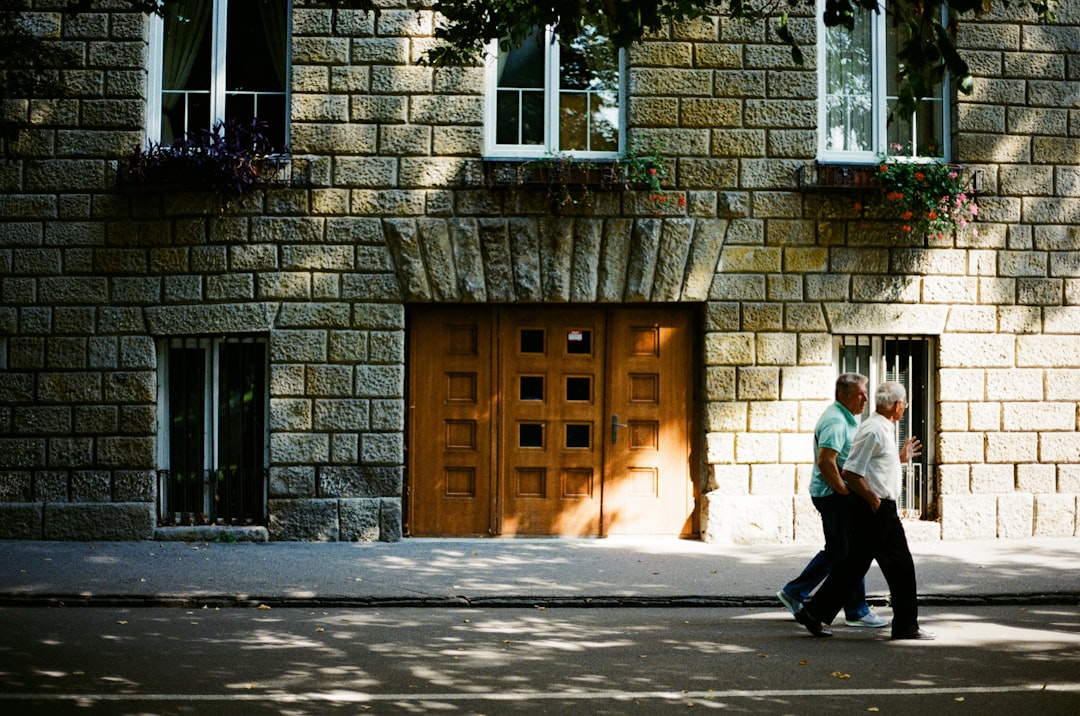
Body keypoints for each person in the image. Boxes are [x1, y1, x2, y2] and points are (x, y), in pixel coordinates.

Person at [794, 381, 931, 640]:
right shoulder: (874, 430)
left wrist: (899, 459)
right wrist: (875, 501)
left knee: (852, 566)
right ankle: (905, 627)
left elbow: (873, 467)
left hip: (876, 505)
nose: (904, 408)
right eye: (904, 404)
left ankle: (814, 613)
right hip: (876, 508)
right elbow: (852, 471)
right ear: (897, 406)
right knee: (901, 568)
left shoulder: (881, 428)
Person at [777, 373, 888, 629]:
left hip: (831, 495)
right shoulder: (837, 421)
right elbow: (826, 462)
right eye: (860, 394)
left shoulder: (844, 418)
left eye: (865, 393)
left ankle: (798, 594)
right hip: (832, 496)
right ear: (843, 395)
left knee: (841, 552)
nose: (865, 399)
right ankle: (855, 611)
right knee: (850, 553)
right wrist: (845, 493)